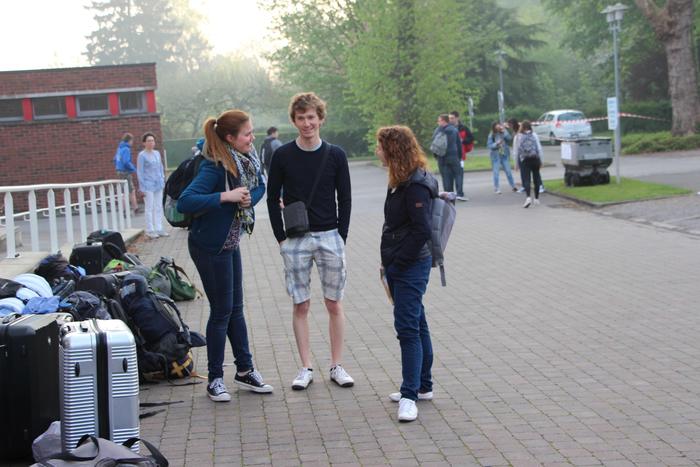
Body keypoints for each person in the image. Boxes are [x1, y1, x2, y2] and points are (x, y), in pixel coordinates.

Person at [177, 109, 273, 401]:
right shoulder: (214, 166)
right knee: (222, 312)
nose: (252, 137)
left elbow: (257, 188)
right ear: (230, 138)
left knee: (236, 309)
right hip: (210, 247)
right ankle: (215, 379)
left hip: (229, 244)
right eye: (247, 134)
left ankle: (244, 370)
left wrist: (244, 199)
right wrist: (226, 197)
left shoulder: (245, 160)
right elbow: (185, 201)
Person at [266, 92, 354, 391]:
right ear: (294, 120)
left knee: (334, 303)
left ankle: (337, 364)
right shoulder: (282, 156)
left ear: (320, 118)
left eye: (311, 117)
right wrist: (280, 237)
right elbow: (271, 196)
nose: (307, 123)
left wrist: (341, 235)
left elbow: (345, 197)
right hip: (296, 239)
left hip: (330, 236)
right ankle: (305, 367)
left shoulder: (336, 155)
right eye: (301, 118)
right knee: (300, 305)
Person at [376, 125, 437, 422]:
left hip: (411, 265)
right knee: (418, 321)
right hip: (400, 263)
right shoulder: (399, 180)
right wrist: (388, 262)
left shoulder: (415, 185)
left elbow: (421, 230)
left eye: (381, 146)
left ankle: (410, 395)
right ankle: (422, 386)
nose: (377, 151)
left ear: (394, 149)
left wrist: (397, 263)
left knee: (408, 329)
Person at [136, 132, 168, 238]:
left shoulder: (157, 153)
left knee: (158, 206)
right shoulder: (142, 155)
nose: (151, 142)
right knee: (149, 207)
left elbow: (160, 167)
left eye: (152, 140)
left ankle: (159, 228)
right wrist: (142, 187)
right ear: (144, 143)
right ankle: (150, 230)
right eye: (149, 141)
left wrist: (163, 179)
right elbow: (140, 172)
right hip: (147, 185)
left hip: (158, 184)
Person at [431, 114, 465, 201]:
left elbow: (434, 144)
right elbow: (459, 144)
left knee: (446, 176)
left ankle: (449, 194)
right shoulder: (454, 129)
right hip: (454, 156)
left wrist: (436, 155)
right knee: (458, 174)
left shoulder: (437, 130)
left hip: (442, 157)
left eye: (439, 121)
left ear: (443, 121)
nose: (438, 122)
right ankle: (459, 193)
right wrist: (460, 156)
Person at [512, 120, 544, 208]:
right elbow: (539, 149)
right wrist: (541, 160)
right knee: (536, 177)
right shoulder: (534, 135)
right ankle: (537, 198)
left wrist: (516, 164)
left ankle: (528, 197)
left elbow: (515, 151)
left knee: (526, 179)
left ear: (522, 127)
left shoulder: (517, 137)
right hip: (535, 159)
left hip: (524, 160)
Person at [449, 111, 473, 201]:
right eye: (449, 118)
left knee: (459, 174)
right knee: (450, 175)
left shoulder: (463, 128)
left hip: (460, 155)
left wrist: (462, 140)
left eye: (452, 118)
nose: (450, 120)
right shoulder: (448, 127)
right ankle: (452, 193)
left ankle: (459, 193)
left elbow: (471, 138)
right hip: (450, 156)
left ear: (457, 118)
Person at [486, 121, 517, 194]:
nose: (498, 127)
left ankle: (513, 186)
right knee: (496, 173)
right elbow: (489, 145)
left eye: (499, 126)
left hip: (504, 155)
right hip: (496, 156)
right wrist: (496, 144)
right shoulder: (491, 135)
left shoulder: (503, 132)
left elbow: (509, 138)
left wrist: (504, 131)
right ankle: (496, 188)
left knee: (508, 171)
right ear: (494, 127)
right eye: (496, 126)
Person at [113, 133, 138, 215]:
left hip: (119, 171)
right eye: (132, 141)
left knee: (122, 191)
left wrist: (118, 167)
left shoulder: (119, 148)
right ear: (129, 140)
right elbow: (126, 161)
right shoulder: (126, 149)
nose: (132, 143)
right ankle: (135, 208)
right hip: (126, 172)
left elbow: (115, 159)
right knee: (131, 191)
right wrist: (133, 168)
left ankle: (123, 210)